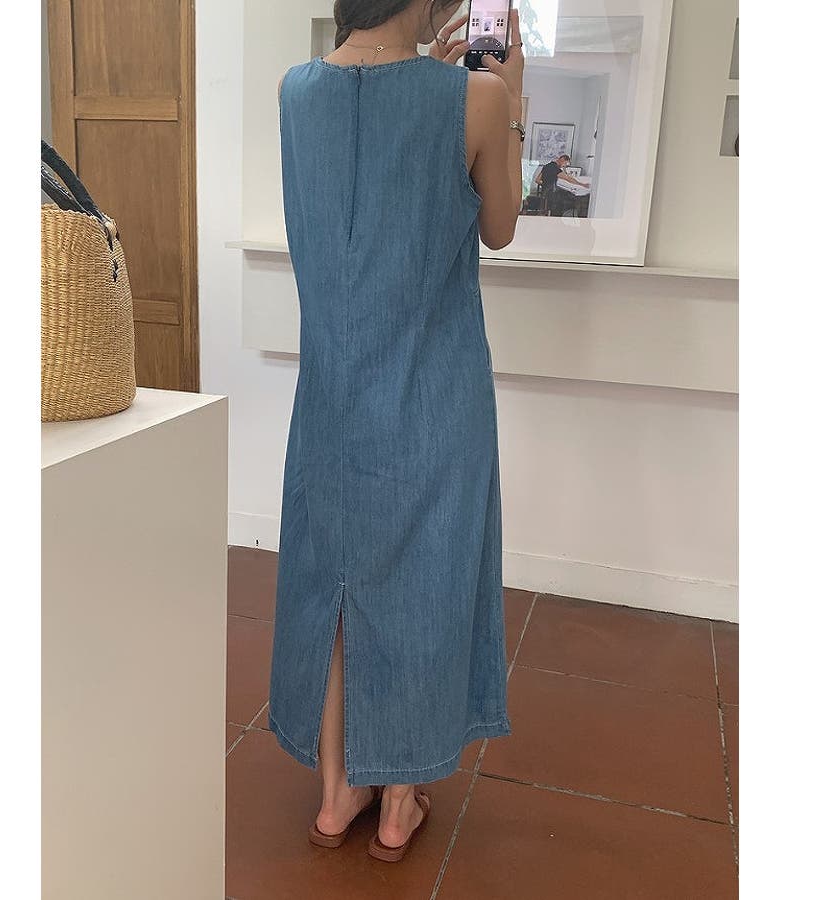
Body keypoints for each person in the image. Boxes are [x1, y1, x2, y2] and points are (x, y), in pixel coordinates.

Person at [268, 0, 523, 862]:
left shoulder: (296, 91)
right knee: (426, 583)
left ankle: (339, 790)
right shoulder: (476, 98)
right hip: (433, 392)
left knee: (335, 580)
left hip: (332, 394)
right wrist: (510, 99)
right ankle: (400, 798)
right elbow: (499, 228)